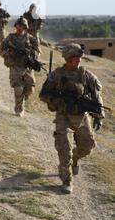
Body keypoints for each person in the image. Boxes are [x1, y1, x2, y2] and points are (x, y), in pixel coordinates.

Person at [39, 43, 105, 194]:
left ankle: (75, 159)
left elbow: (97, 96)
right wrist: (57, 101)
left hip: (81, 117)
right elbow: (43, 95)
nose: (79, 61)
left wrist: (99, 116)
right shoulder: (57, 74)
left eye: (80, 58)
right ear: (68, 59)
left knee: (87, 147)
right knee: (63, 148)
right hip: (63, 116)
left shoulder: (86, 75)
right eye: (76, 58)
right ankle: (66, 179)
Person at [1, 17, 40, 117]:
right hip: (15, 65)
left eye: (22, 26)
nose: (20, 28)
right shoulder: (10, 37)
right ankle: (19, 109)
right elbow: (3, 48)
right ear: (16, 26)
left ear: (25, 27)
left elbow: (37, 51)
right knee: (18, 89)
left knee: (30, 90)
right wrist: (9, 52)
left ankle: (22, 99)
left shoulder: (31, 38)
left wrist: (30, 54)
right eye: (18, 26)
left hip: (27, 66)